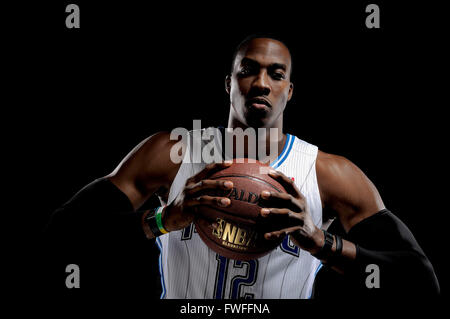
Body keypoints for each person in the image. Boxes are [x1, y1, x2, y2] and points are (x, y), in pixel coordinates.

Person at [44, 34, 439, 299]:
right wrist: (164, 219)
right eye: (248, 70)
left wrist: (322, 242)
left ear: (290, 91)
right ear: (229, 83)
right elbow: (61, 236)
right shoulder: (172, 153)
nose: (261, 83)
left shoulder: (329, 175)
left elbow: (419, 281)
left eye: (276, 74)